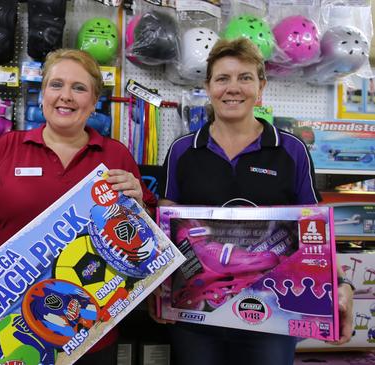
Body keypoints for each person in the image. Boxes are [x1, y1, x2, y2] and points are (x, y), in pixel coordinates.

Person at [0, 48, 157, 364]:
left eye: (79, 88)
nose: (66, 96)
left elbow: (146, 236)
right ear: (42, 95)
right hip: (14, 329)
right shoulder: (8, 147)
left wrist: (140, 205)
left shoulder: (115, 156)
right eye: (56, 85)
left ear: (93, 103)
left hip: (92, 331)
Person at [148, 37, 354, 365]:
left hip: (272, 314)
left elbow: (316, 231)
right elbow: (166, 228)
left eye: (245, 77)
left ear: (261, 87)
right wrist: (157, 290)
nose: (233, 88)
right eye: (222, 78)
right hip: (196, 314)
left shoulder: (292, 150)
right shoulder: (182, 150)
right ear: (208, 87)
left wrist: (342, 284)